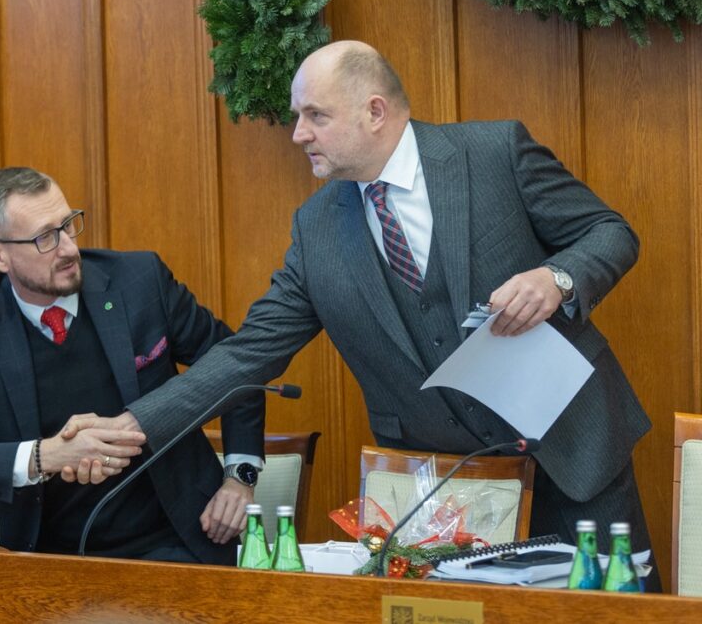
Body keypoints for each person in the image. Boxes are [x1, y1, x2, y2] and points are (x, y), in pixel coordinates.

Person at [68, 40, 658, 588]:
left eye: (315, 116)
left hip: (575, 450)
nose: (298, 134)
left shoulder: (494, 152)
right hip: (448, 488)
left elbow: (610, 232)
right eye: (298, 116)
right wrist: (132, 425)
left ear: (374, 111)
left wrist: (556, 279)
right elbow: (248, 353)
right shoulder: (317, 229)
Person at [0, 167, 265, 564]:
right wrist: (45, 456)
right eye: (45, 238)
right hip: (49, 560)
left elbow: (237, 367)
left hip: (178, 540)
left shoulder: (139, 281)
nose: (68, 248)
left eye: (67, 225)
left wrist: (240, 476)